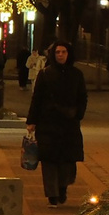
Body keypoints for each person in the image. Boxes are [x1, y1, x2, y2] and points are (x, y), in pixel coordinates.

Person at [27, 41, 88, 206]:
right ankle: (52, 194)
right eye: (57, 52)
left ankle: (62, 187)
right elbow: (37, 98)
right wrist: (31, 120)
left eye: (63, 52)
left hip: (69, 124)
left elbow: (82, 97)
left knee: (67, 161)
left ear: (69, 54)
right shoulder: (45, 74)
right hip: (48, 123)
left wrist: (77, 114)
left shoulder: (76, 74)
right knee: (49, 161)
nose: (60, 55)